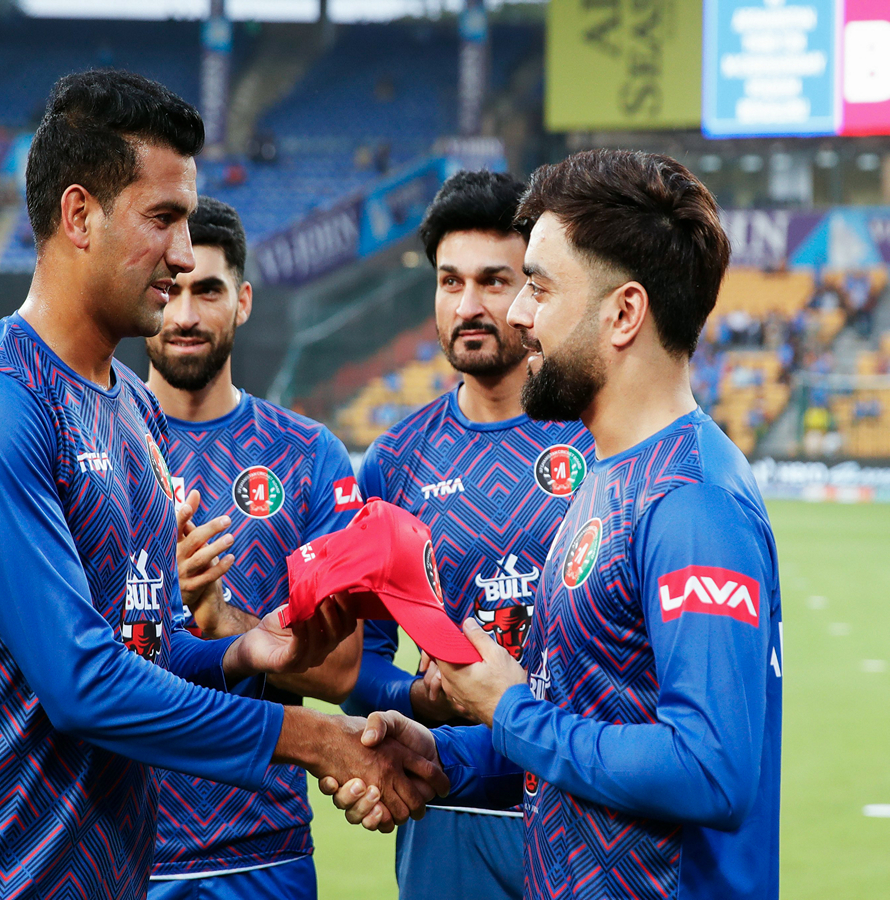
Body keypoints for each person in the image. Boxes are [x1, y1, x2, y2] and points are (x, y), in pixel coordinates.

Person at [0, 70, 446, 900]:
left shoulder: (132, 408)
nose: (183, 253)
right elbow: (81, 685)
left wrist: (249, 651)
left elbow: (143, 646)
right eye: (164, 218)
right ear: (79, 215)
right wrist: (316, 740)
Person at [325, 149, 783, 900]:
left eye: (536, 286)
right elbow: (579, 718)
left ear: (624, 313)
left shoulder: (691, 500)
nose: (515, 314)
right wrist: (447, 754)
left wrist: (509, 707)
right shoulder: (610, 477)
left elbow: (709, 770)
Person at [340, 171, 593, 900]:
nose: (470, 305)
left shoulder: (597, 438)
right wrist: (427, 703)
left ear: (533, 292)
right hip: (446, 806)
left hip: (579, 805)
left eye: (495, 281)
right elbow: (363, 665)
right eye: (450, 282)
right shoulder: (395, 460)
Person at [144, 196, 364, 900]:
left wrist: (217, 613)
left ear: (241, 301)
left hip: (260, 852)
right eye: (170, 290)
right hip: (116, 847)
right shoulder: (88, 443)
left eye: (206, 290)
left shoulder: (308, 456)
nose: (183, 315)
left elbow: (339, 671)